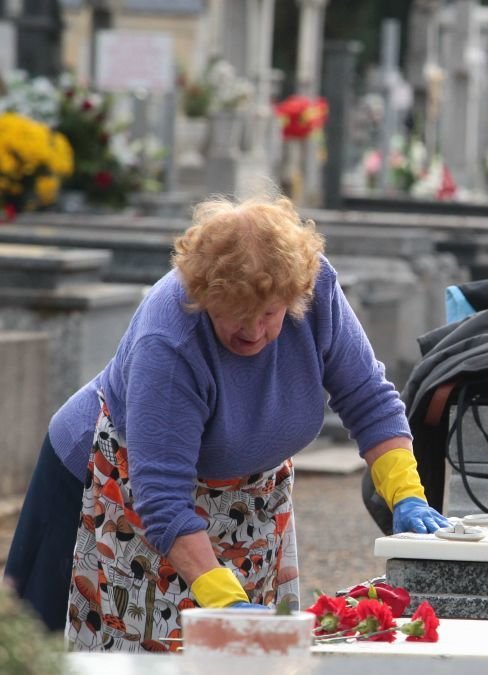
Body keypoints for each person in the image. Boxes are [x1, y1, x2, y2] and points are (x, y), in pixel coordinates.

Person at [3, 194, 448, 651]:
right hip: (112, 485)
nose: (254, 331)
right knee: (104, 653)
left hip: (245, 498)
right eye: (236, 315)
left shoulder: (313, 291)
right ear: (204, 296)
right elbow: (162, 498)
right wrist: (224, 601)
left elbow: (368, 398)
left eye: (269, 315)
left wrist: (406, 494)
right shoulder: (170, 337)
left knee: (245, 653)